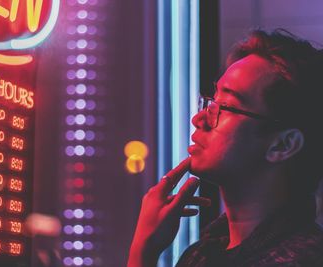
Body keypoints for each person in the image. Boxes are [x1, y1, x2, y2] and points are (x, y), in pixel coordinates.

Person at [128, 29, 323, 267]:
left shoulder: (301, 259)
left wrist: (142, 253)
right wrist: (145, 249)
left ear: (283, 145)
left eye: (226, 106)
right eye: (211, 102)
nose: (199, 119)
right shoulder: (202, 254)